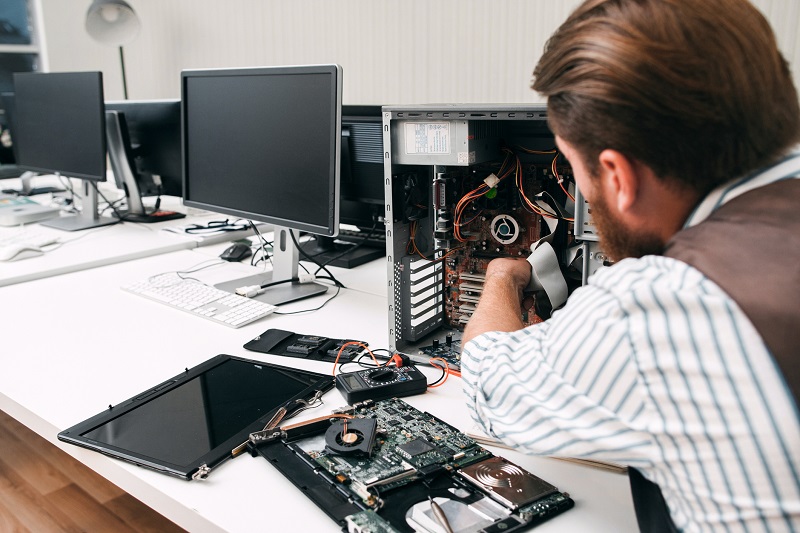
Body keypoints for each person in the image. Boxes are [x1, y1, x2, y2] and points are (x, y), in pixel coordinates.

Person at [460, 0, 800, 531]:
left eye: (577, 174)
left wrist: (502, 275)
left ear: (617, 176)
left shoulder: (664, 305)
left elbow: (489, 384)